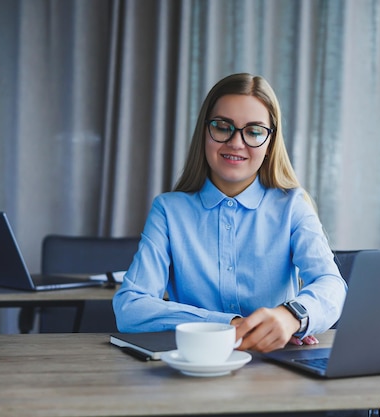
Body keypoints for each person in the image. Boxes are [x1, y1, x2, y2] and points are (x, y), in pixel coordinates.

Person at [113, 73, 347, 353]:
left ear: (270, 143)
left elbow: (331, 285)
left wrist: (292, 316)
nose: (236, 142)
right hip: (194, 366)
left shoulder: (293, 206)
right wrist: (231, 324)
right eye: (223, 127)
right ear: (204, 132)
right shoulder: (169, 210)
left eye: (254, 131)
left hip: (275, 367)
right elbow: (130, 307)